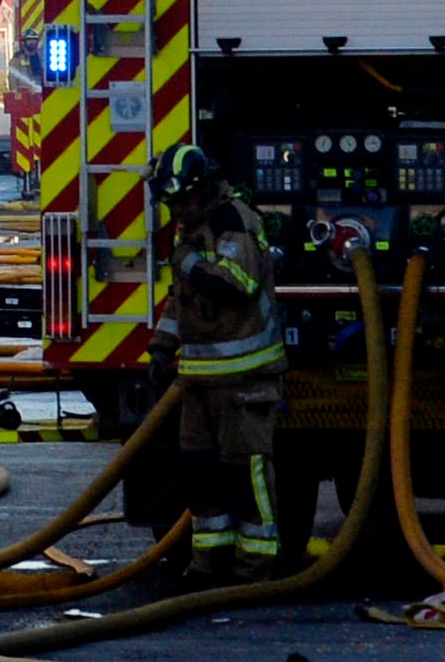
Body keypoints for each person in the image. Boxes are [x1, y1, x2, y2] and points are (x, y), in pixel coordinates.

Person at [156, 149, 289, 581]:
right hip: (198, 380)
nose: (180, 210)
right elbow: (183, 300)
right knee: (198, 473)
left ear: (206, 188)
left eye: (187, 200)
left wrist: (190, 264)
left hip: (244, 379)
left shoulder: (235, 222)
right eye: (173, 204)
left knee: (243, 473)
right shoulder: (190, 231)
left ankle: (255, 565)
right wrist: (162, 345)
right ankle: (208, 562)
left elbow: (239, 285)